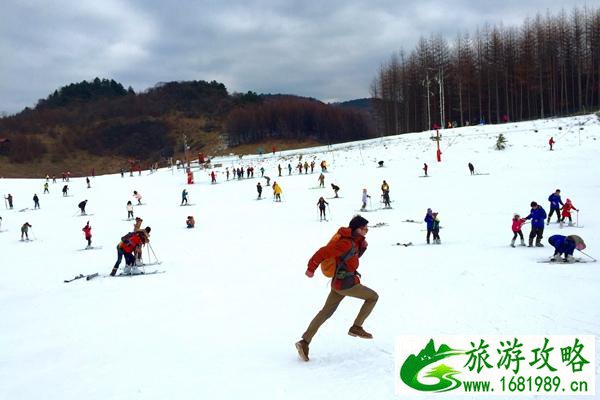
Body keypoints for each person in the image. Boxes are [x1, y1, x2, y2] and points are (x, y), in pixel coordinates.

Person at [295, 215, 377, 362]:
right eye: (365, 229)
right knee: (372, 297)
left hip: (338, 283)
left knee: (325, 313)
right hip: (347, 284)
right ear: (357, 229)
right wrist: (311, 268)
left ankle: (304, 342)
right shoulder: (346, 243)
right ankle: (356, 327)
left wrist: (362, 248)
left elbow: (350, 260)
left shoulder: (354, 242)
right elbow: (323, 252)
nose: (366, 231)